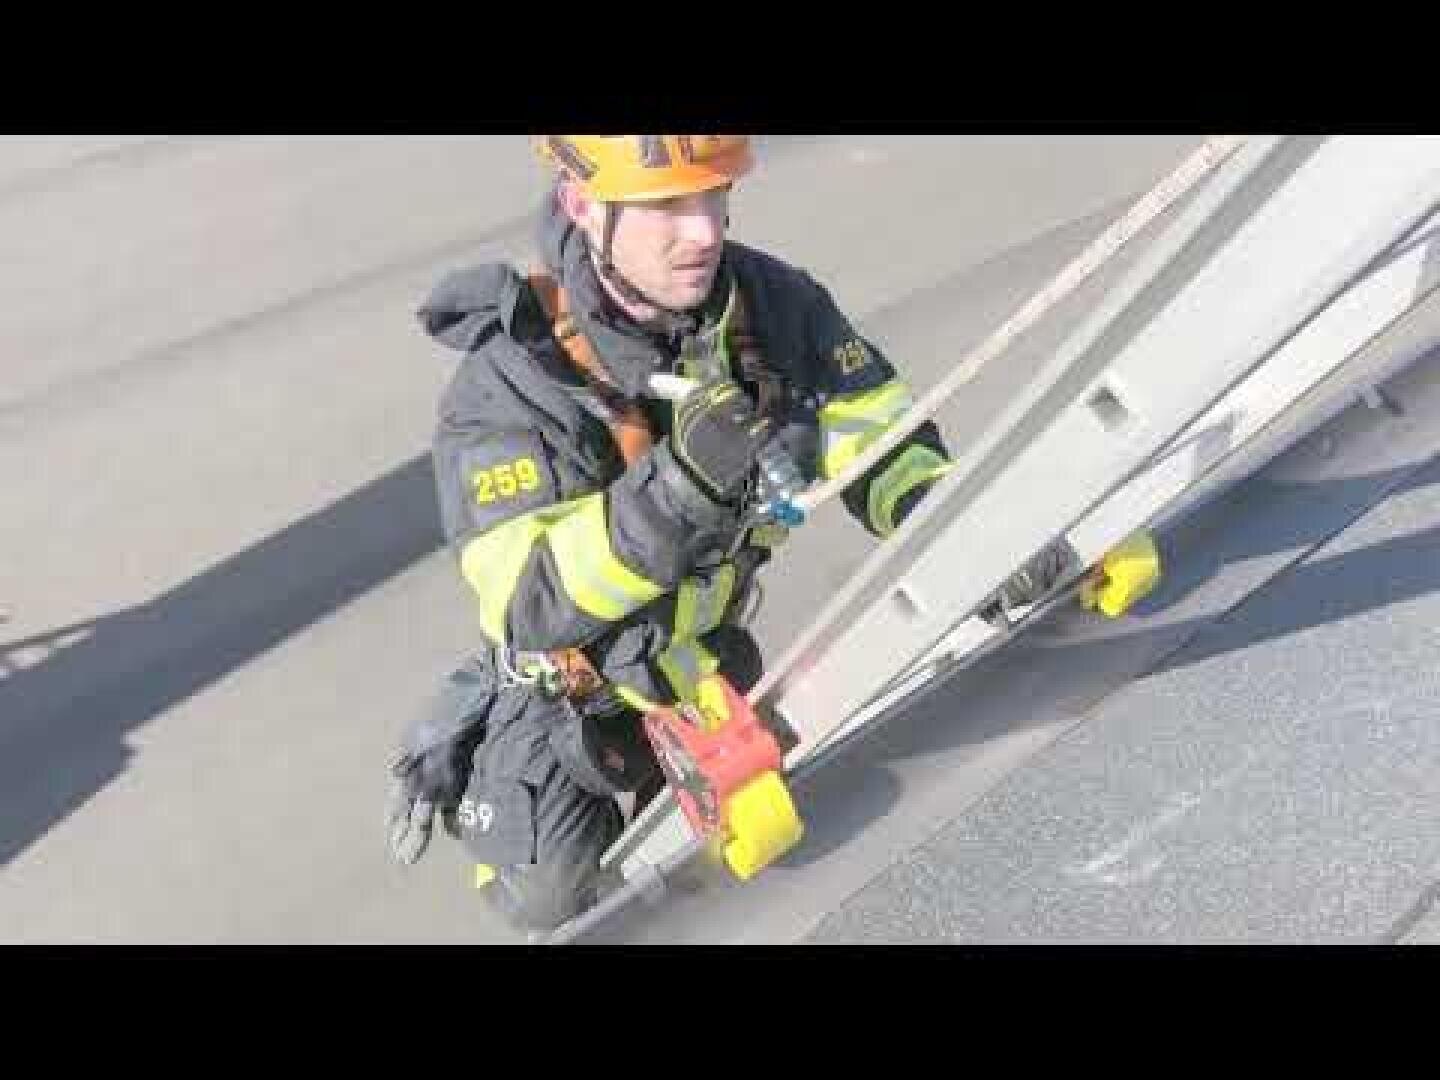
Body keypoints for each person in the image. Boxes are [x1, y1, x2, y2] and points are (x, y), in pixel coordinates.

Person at [384, 135, 1052, 935]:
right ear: (581, 204)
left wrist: (966, 528)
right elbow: (532, 599)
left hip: (702, 661)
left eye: (713, 195)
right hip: (577, 688)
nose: (702, 231)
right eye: (667, 204)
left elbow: (876, 441)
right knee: (560, 897)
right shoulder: (511, 384)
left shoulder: (770, 308)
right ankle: (487, 773)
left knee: (757, 866)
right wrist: (679, 491)